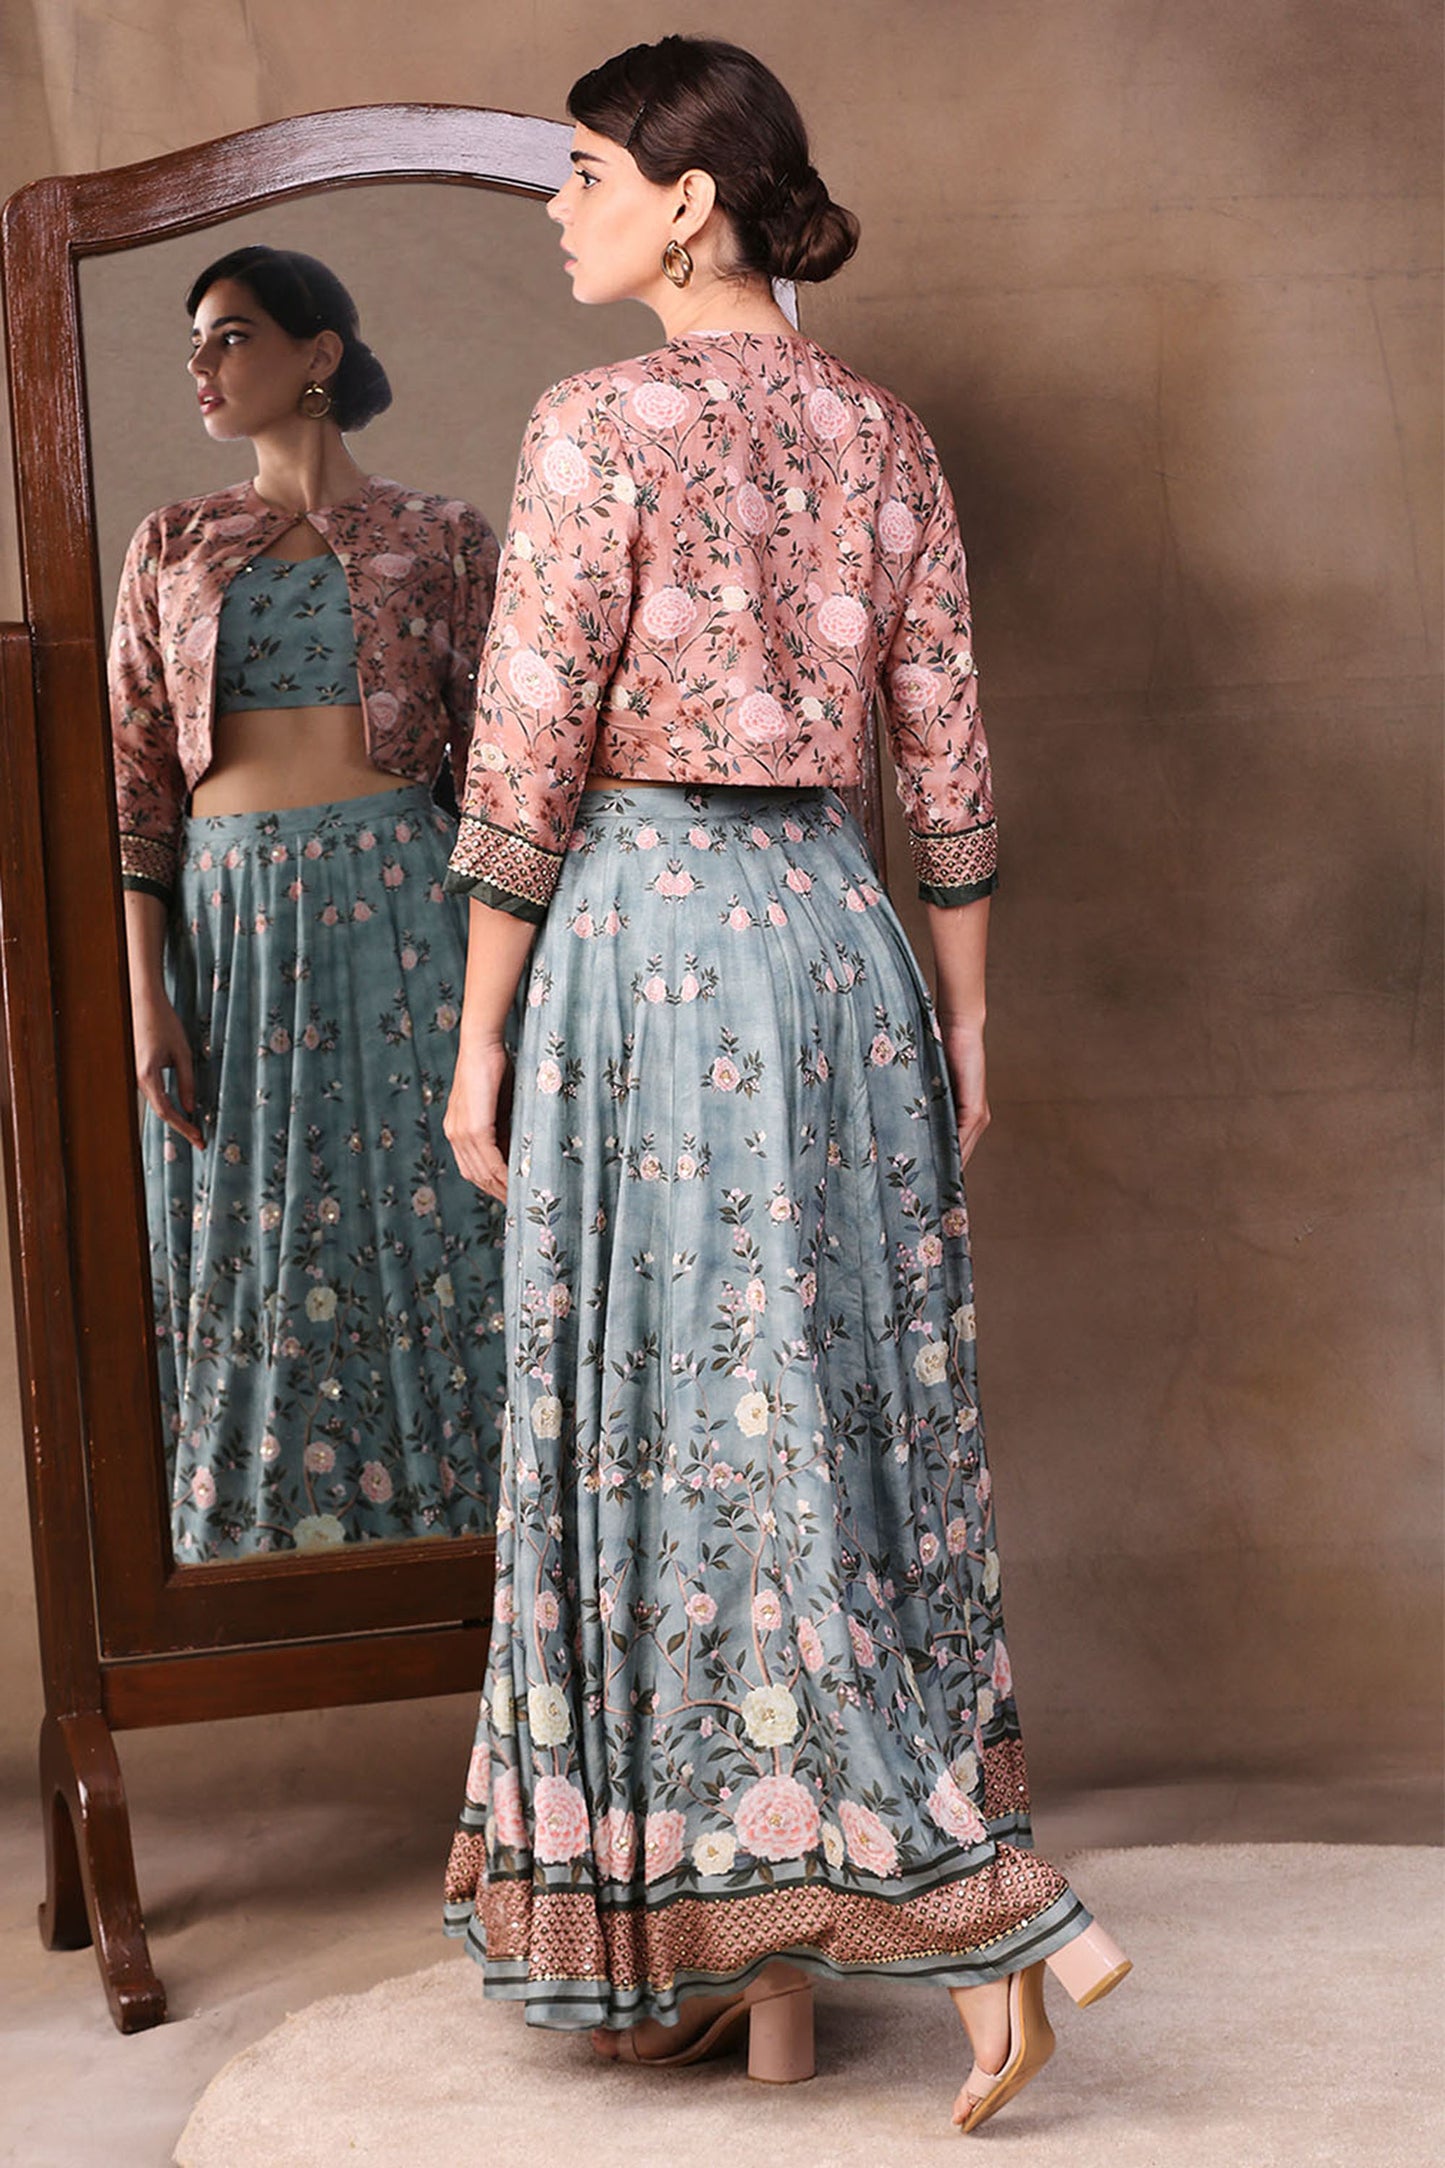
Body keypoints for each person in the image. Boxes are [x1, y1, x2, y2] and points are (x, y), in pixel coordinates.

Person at [440, 38, 1130, 2133]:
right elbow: (949, 753)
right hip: (842, 947)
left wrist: (477, 1036)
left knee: (698, 1450)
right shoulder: (882, 432)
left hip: (650, 954)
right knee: (835, 1434)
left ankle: (995, 1918)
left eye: (581, 172)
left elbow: (527, 751)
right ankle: (762, 1961)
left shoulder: (597, 424)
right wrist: (968, 1018)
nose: (554, 207)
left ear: (690, 202)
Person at [109, 244, 506, 1562]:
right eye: (195, 341)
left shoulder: (442, 536)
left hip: (408, 912)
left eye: (229, 335)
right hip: (227, 928)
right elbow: (135, 788)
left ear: (317, 352)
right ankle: (255, 1568)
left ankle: (476, 1552)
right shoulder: (170, 543)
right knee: (245, 1240)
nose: (201, 364)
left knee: (440, 1219)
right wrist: (146, 998)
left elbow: (500, 770)